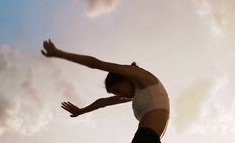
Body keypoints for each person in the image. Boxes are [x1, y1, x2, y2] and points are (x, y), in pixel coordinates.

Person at [41, 39, 169, 143]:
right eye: (116, 94)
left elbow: (96, 63)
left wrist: (59, 53)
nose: (120, 96)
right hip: (148, 139)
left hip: (145, 138)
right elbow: (103, 102)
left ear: (125, 78)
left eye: (117, 90)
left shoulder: (141, 77)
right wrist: (81, 111)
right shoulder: (140, 93)